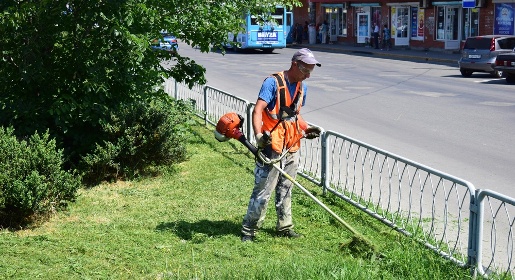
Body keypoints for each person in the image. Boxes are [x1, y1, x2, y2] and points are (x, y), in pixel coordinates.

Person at [241, 48, 322, 242]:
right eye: (306, 70)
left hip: (291, 144)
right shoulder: (273, 83)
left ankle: (284, 227)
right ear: (295, 64)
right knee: (263, 191)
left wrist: (306, 128)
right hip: (272, 146)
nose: (308, 75)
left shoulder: (303, 87)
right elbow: (258, 110)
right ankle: (249, 231)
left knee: (286, 188)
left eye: (311, 71)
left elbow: (295, 114)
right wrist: (259, 135)